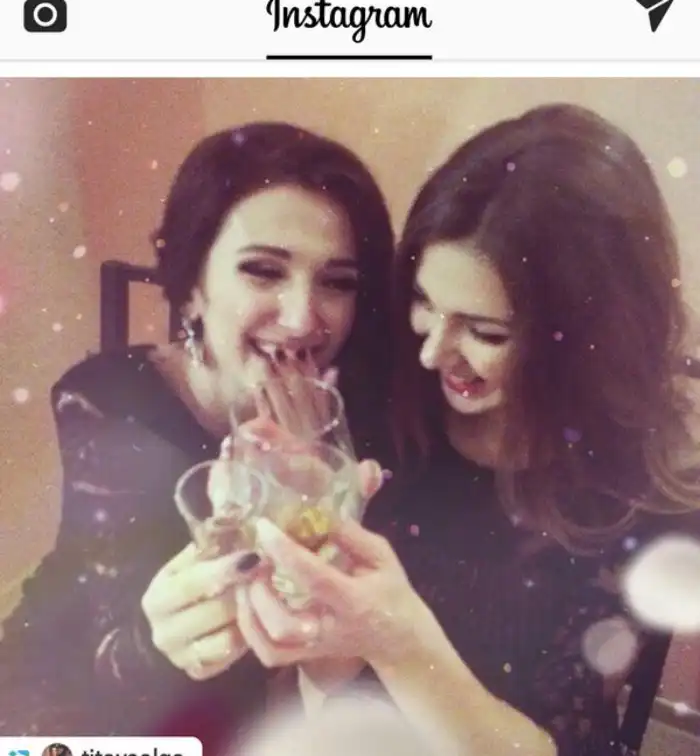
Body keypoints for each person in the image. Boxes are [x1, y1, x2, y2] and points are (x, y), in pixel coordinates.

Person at [227, 104, 700, 756]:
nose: (432, 353)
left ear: (589, 339)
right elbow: (328, 676)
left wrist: (400, 642)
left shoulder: (641, 495)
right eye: (425, 303)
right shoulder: (375, 396)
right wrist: (303, 519)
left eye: (486, 332)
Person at [0, 121, 395, 752]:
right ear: (190, 289)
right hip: (82, 684)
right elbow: (116, 645)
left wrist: (314, 483)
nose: (303, 318)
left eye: (337, 282)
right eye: (263, 271)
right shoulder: (111, 405)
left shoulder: (357, 420)